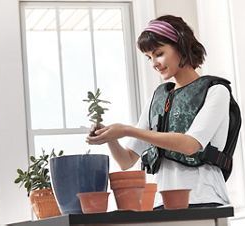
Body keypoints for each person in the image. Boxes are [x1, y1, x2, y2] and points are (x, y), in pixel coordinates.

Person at [87, 15, 234, 209]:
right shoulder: (157, 98)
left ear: (181, 46)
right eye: (149, 57)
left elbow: (191, 145)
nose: (154, 63)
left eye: (159, 53)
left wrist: (127, 130)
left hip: (204, 199)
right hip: (161, 204)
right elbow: (126, 160)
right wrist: (111, 137)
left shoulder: (215, 91)